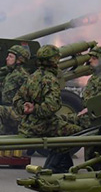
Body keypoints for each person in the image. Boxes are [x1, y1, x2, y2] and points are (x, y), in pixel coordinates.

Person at [13, 44, 82, 172]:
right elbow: (51, 107)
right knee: (77, 132)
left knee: (63, 126)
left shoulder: (33, 76)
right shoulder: (50, 79)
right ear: (54, 60)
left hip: (26, 125)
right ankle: (53, 166)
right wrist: (35, 109)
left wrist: (25, 107)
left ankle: (62, 165)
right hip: (42, 126)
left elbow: (16, 99)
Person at [0, 45, 31, 134]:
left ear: (19, 60)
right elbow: (9, 92)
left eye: (10, 56)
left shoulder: (23, 76)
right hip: (11, 109)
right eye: (8, 56)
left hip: (20, 113)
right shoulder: (11, 74)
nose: (7, 58)